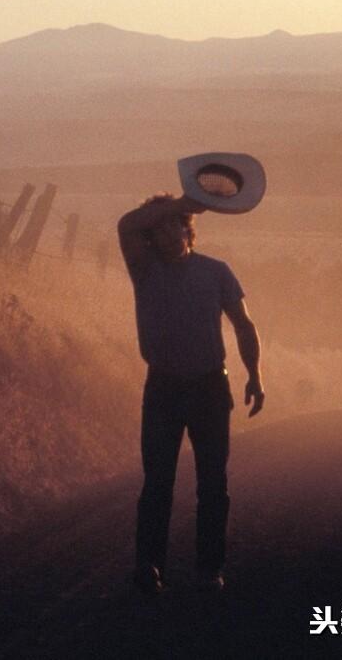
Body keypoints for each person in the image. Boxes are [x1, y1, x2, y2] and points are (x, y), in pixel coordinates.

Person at [117, 193, 264, 594]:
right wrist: (186, 200)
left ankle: (209, 569)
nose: (165, 234)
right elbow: (127, 223)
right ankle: (148, 567)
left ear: (188, 227)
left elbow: (244, 326)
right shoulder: (143, 269)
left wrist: (254, 375)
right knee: (157, 482)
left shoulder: (216, 271)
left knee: (213, 483)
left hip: (210, 387)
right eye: (158, 228)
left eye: (173, 224)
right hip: (163, 386)